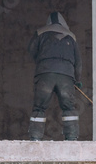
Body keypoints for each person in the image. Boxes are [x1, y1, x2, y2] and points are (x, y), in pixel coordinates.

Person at [28, 11, 82, 141]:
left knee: (39, 107)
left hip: (45, 75)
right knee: (69, 107)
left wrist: (42, 63)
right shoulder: (71, 36)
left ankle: (35, 137)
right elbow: (78, 62)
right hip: (66, 77)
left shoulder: (40, 32)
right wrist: (77, 80)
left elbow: (31, 50)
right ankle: (72, 137)